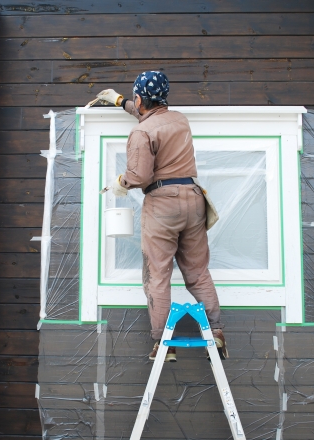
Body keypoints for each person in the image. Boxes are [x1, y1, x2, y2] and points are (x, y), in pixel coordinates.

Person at [96, 71, 228, 362]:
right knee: (197, 272)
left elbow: (140, 175)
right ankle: (216, 332)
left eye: (134, 99)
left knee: (158, 274)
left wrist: (122, 182)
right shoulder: (179, 120)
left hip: (162, 203)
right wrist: (120, 102)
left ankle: (163, 344)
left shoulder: (141, 133)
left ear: (140, 98)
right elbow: (152, 117)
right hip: (194, 199)